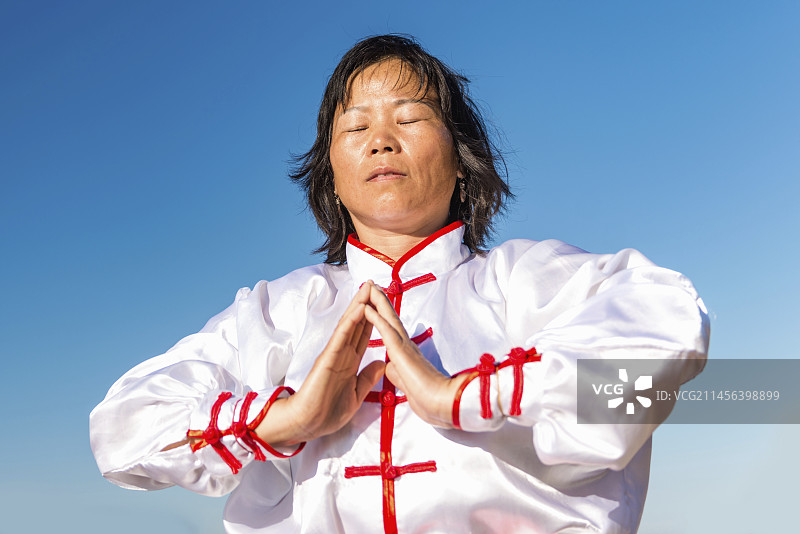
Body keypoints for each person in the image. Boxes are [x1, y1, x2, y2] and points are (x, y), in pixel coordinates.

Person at [90, 34, 709, 534]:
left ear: (461, 157)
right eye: (355, 128)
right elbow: (120, 432)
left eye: (409, 118)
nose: (381, 140)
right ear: (330, 173)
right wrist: (285, 418)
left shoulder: (524, 279)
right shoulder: (276, 311)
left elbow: (664, 331)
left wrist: (466, 397)